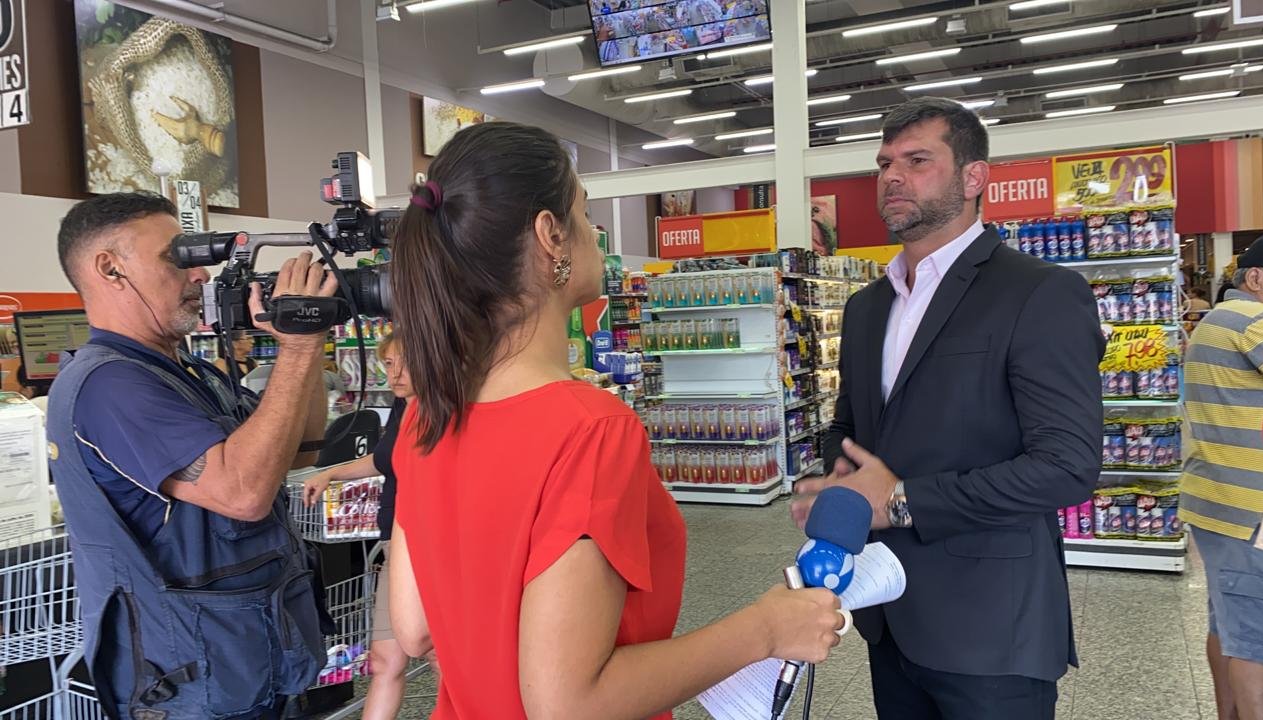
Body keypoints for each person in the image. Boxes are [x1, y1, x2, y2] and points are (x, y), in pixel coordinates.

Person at [386, 121, 845, 719]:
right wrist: (764, 628)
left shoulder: (424, 415)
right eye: (584, 211)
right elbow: (566, 704)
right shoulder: (588, 430)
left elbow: (416, 629)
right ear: (550, 235)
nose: (595, 233)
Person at [790, 97, 1104, 720]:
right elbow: (852, 429)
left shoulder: (1038, 293)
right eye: (883, 164)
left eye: (917, 160)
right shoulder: (867, 307)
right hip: (888, 614)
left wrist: (902, 500)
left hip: (992, 626)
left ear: (973, 177)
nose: (892, 177)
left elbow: (1068, 465)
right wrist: (836, 485)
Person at [47, 192, 336, 719]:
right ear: (110, 269)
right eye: (176, 258)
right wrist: (295, 349)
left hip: (248, 664)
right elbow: (244, 493)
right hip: (194, 687)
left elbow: (297, 451)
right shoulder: (109, 386)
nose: (200, 275)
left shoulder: (186, 374)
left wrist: (307, 343)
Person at [1180, 231, 1263, 720]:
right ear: (1256, 278)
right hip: (1249, 505)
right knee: (1256, 635)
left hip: (1214, 498)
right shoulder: (1251, 317)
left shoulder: (1217, 320)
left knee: (1230, 622)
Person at [303, 333, 417, 720]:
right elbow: (384, 460)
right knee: (386, 659)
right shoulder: (405, 408)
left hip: (428, 552)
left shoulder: (446, 413)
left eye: (406, 361)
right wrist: (331, 473)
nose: (395, 373)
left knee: (438, 657)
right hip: (395, 547)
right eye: (388, 364)